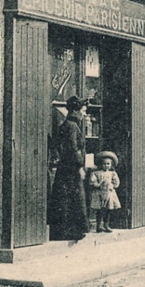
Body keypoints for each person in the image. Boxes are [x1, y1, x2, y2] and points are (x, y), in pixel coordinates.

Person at [49, 96, 90, 240]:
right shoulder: (72, 126)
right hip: (71, 168)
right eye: (83, 111)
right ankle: (71, 231)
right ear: (76, 111)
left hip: (65, 168)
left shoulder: (67, 124)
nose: (84, 114)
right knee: (73, 198)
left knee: (65, 198)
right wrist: (79, 166)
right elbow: (72, 148)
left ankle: (64, 231)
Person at [88, 150, 121, 233]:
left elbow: (116, 182)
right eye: (104, 164)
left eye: (108, 164)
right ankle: (99, 226)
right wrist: (98, 184)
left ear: (111, 165)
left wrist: (112, 186)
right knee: (99, 210)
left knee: (108, 210)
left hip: (109, 193)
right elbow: (92, 182)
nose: (106, 166)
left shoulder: (112, 173)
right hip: (99, 193)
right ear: (100, 164)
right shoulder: (96, 173)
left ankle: (106, 225)